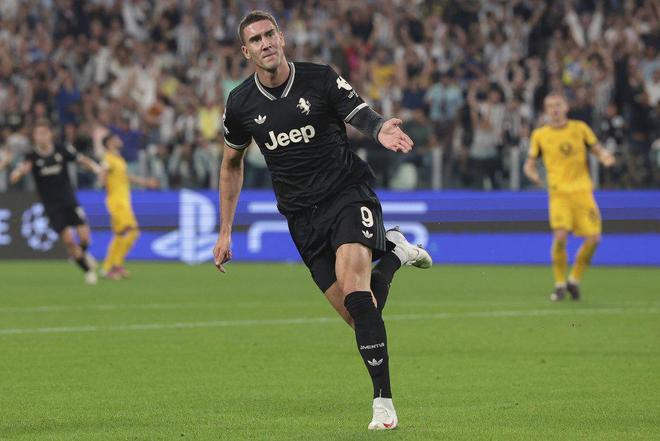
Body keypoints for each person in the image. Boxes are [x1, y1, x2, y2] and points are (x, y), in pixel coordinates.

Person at [212, 11, 432, 431]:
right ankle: (396, 253)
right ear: (245, 51)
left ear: (282, 37)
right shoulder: (240, 104)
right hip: (301, 217)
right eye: (255, 39)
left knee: (357, 296)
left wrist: (380, 128)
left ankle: (383, 403)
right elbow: (231, 164)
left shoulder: (319, 78)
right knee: (358, 313)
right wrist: (225, 231)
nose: (265, 43)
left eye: (270, 34)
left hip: (346, 194)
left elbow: (360, 112)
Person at [524, 93, 615, 301]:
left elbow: (597, 149)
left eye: (558, 105)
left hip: (583, 192)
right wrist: (533, 175)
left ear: (566, 107)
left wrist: (606, 157)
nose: (554, 109)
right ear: (546, 111)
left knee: (594, 239)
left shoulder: (580, 128)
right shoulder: (540, 135)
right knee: (560, 236)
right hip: (559, 194)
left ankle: (574, 280)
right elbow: (529, 164)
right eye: (550, 106)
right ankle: (559, 284)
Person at [9, 119, 101, 284]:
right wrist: (21, 172)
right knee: (69, 240)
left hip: (69, 200)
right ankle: (87, 271)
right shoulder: (31, 156)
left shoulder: (61, 149)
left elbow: (81, 159)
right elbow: (13, 177)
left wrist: (97, 169)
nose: (41, 137)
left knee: (85, 237)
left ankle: (82, 254)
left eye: (44, 133)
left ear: (50, 134)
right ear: (34, 137)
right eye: (38, 134)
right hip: (52, 205)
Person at [100, 133, 157, 279]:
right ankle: (114, 266)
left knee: (120, 234)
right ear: (109, 143)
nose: (120, 140)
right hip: (117, 202)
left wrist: (145, 182)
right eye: (116, 139)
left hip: (123, 201)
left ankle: (110, 267)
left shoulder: (118, 159)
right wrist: (104, 182)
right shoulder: (108, 158)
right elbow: (103, 173)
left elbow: (125, 178)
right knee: (132, 231)